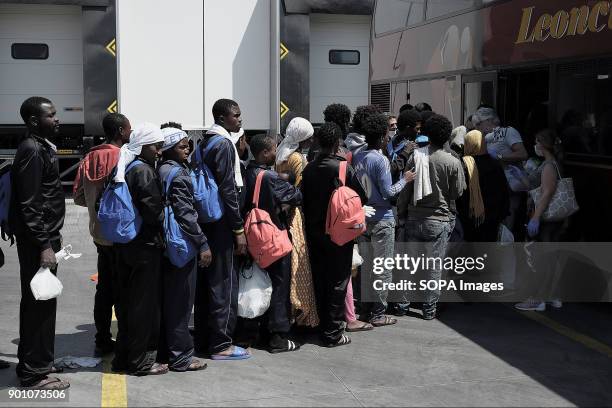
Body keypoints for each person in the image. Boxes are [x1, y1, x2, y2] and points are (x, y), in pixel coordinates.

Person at [9, 97, 68, 389]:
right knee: (38, 305)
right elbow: (29, 203)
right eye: (51, 115)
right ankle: (34, 374)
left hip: (43, 238)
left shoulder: (41, 146)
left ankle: (37, 363)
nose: (57, 119)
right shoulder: (32, 149)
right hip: (37, 242)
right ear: (34, 121)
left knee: (42, 303)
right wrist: (44, 245)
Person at [302, 122, 368, 347]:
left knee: (319, 279)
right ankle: (332, 333)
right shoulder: (342, 168)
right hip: (339, 232)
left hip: (313, 232)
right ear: (337, 143)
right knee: (338, 280)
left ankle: (321, 325)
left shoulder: (308, 168)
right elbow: (362, 196)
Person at [194, 99, 250, 360]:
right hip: (223, 225)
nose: (239, 119)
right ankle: (222, 344)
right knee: (225, 283)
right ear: (221, 117)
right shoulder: (224, 144)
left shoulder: (204, 142)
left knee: (208, 284)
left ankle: (206, 338)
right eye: (235, 116)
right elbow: (228, 188)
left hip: (207, 221)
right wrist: (238, 229)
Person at [111, 123, 167, 376]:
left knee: (129, 304)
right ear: (143, 146)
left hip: (126, 245)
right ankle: (140, 361)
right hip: (145, 246)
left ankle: (123, 359)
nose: (159, 151)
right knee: (143, 308)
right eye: (156, 146)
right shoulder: (143, 171)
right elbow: (153, 211)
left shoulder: (126, 166)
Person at [73, 113, 131, 357]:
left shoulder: (89, 157)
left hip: (99, 234)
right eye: (129, 128)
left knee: (104, 289)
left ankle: (102, 339)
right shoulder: (123, 157)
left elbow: (77, 197)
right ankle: (127, 340)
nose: (131, 132)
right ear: (119, 131)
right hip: (122, 235)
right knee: (125, 290)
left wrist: (97, 206)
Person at [398, 114, 466, 320]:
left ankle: (402, 305)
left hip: (414, 218)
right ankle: (429, 310)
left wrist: (401, 213)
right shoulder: (452, 161)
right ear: (446, 136)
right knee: (434, 267)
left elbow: (405, 191)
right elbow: (458, 193)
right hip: (440, 220)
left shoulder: (415, 156)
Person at [353, 113, 416, 326]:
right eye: (387, 134)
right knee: (382, 268)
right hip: (382, 218)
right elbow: (389, 192)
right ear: (381, 137)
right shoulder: (380, 159)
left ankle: (364, 308)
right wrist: (405, 180)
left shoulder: (358, 156)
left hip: (365, 217)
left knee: (366, 267)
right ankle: (378, 313)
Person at [157, 127, 210, 371]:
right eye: (181, 146)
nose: (187, 148)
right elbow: (187, 215)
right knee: (181, 303)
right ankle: (181, 357)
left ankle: (167, 351)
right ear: (168, 148)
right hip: (182, 245)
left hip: (164, 245)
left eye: (188, 144)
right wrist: (202, 243)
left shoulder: (161, 169)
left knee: (169, 301)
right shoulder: (178, 175)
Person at [244, 134, 303, 352]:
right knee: (279, 285)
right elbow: (296, 196)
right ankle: (277, 337)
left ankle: (256, 331)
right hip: (272, 238)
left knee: (257, 283)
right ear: (264, 153)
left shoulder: (247, 171)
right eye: (273, 149)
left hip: (252, 238)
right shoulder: (269, 177)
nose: (276, 152)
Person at [275, 118, 320, 328]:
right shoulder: (297, 159)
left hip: (280, 213)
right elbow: (300, 190)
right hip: (296, 214)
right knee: (299, 265)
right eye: (308, 137)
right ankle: (302, 312)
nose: (311, 141)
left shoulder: (279, 153)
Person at [515, 130, 565, 312]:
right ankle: (551, 295)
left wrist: (535, 217)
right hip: (553, 220)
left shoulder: (548, 166)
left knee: (538, 258)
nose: (534, 145)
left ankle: (537, 299)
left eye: (536, 141)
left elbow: (547, 192)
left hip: (544, 218)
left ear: (543, 144)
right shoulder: (554, 164)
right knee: (550, 257)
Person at [472, 107, 528, 241]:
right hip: (492, 187)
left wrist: (498, 156)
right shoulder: (485, 137)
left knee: (507, 221)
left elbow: (522, 153)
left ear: (489, 120)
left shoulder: (509, 132)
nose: (477, 128)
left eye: (478, 124)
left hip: (509, 185)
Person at [456, 130, 509, 242]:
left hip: (467, 218)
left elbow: (458, 193)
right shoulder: (495, 165)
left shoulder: (462, 164)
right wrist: (503, 214)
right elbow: (504, 191)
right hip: (492, 218)